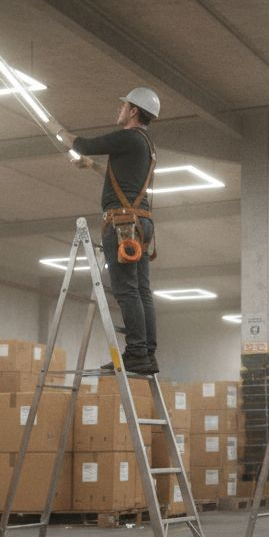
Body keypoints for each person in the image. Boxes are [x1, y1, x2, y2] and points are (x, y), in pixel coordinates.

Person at [61, 87, 162, 375]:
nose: (120, 110)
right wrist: (91, 165)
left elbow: (84, 144)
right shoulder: (146, 144)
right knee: (141, 290)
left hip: (122, 225)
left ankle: (136, 352)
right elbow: (122, 176)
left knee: (127, 290)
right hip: (140, 223)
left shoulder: (128, 137)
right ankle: (147, 353)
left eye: (124, 106)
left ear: (133, 111)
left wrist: (63, 135)